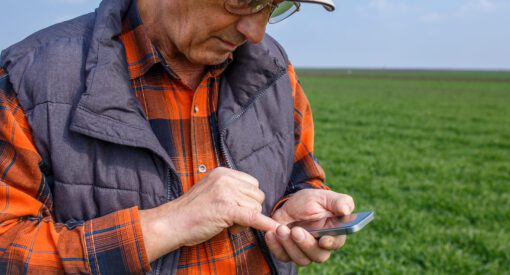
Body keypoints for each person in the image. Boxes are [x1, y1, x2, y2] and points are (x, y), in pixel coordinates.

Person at [0, 0, 355, 273]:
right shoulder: (28, 78)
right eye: (243, 2)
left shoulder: (273, 67)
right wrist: (168, 224)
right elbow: (7, 250)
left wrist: (299, 207)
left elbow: (300, 171)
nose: (256, 32)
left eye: (274, 6)